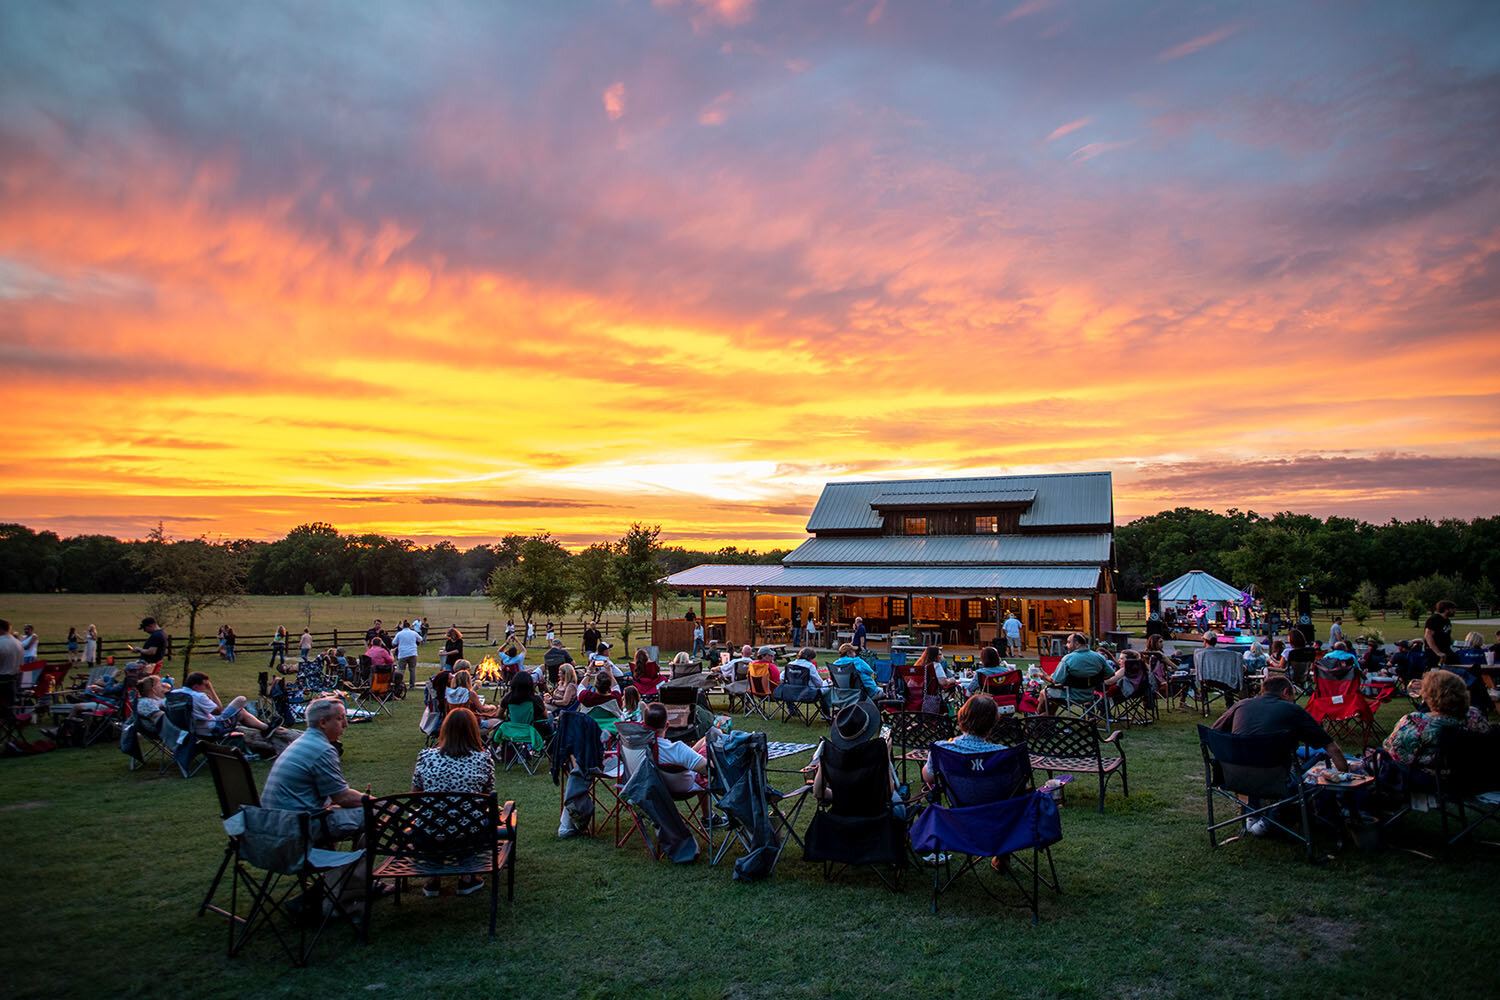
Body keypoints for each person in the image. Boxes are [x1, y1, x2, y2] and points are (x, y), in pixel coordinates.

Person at [410, 707, 494, 896]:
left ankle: (433, 878)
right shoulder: (483, 759)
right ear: (473, 731)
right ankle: (466, 877)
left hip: (428, 835)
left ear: (445, 730)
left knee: (432, 820)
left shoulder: (426, 757)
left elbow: (415, 798)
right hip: (468, 834)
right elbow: (486, 796)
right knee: (480, 819)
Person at [1211, 675, 1349, 772]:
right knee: (1321, 756)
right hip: (1275, 778)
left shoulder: (1241, 705)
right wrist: (1344, 776)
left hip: (1235, 775)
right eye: (1292, 697)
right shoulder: (1293, 710)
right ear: (1285, 693)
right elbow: (1331, 747)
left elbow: (1213, 734)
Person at [1382, 669, 1490, 769]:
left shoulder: (1416, 721)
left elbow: (1397, 754)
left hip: (1429, 777)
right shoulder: (1474, 715)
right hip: (1468, 771)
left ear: (1428, 696)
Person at [641, 702, 710, 816]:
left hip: (651, 786)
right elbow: (707, 769)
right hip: (682, 788)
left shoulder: (637, 748)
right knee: (709, 740)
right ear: (667, 725)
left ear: (643, 724)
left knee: (704, 740)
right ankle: (708, 816)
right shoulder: (677, 749)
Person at [922, 693, 1002, 783]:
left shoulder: (942, 748)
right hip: (993, 796)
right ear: (994, 722)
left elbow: (929, 777)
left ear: (962, 716)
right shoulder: (1002, 754)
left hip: (958, 795)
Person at [182, 671, 275, 739]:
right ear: (195, 687)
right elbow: (218, 711)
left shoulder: (174, 694)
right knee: (241, 700)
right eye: (205, 685)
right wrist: (211, 690)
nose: (205, 688)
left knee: (241, 712)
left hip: (187, 730)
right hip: (211, 729)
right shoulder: (198, 696)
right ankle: (266, 728)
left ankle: (266, 728)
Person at [1046, 633, 1111, 710]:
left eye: (1069, 642)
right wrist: (1095, 680)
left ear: (1077, 643)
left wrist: (1044, 676)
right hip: (1091, 695)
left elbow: (1055, 680)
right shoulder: (1099, 657)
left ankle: (1040, 717)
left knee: (1044, 693)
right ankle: (1046, 718)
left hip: (1070, 696)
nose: (1066, 645)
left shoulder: (1068, 659)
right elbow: (1110, 674)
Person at [499, 670, 553, 739]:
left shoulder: (508, 698)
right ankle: (550, 747)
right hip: (532, 731)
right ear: (530, 684)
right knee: (550, 716)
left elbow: (499, 714)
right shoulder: (535, 699)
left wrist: (511, 718)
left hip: (513, 730)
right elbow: (545, 716)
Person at [1424, 600, 1457, 669]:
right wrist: (1438, 652)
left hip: (1446, 651)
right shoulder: (1434, 619)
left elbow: (1446, 635)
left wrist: (1457, 644)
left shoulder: (1447, 620)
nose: (1455, 611)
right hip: (1435, 653)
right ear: (1446, 609)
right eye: (1453, 609)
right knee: (1436, 673)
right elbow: (1428, 635)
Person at [393, 620, 423, 689]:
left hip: (403, 653)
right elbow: (420, 639)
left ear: (403, 627)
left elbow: (394, 642)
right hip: (412, 653)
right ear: (409, 626)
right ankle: (412, 685)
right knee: (412, 669)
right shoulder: (413, 633)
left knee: (401, 670)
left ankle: (399, 684)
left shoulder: (399, 634)